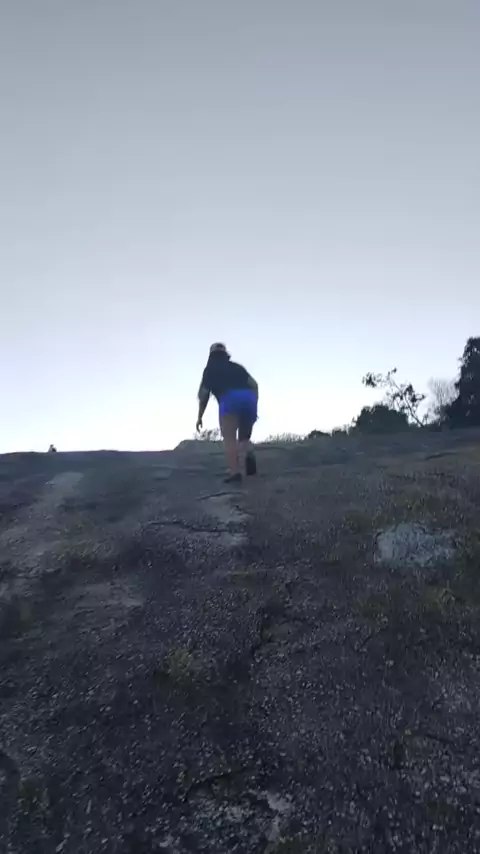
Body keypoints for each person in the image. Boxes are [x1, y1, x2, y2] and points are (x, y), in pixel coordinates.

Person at [196, 343, 258, 483]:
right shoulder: (237, 367)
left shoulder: (210, 370)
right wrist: (254, 402)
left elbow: (203, 394)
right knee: (244, 437)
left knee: (229, 437)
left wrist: (200, 417)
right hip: (248, 398)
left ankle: (235, 472)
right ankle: (248, 451)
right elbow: (254, 384)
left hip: (229, 399)